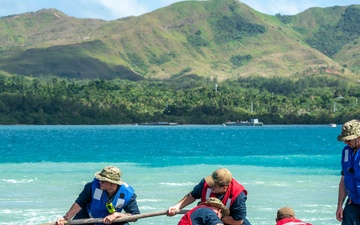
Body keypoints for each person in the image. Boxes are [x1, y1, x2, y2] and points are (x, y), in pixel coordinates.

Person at [56, 166, 140, 225]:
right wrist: (66, 218)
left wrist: (117, 215)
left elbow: (134, 216)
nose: (99, 182)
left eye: (103, 181)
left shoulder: (128, 194)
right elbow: (80, 203)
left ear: (113, 183)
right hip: (88, 216)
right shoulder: (92, 186)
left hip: (111, 220)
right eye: (99, 179)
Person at [167, 168, 251, 225]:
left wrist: (219, 217)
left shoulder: (238, 195)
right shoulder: (206, 183)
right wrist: (177, 207)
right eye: (211, 182)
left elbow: (238, 221)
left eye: (214, 186)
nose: (210, 186)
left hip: (230, 221)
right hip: (207, 217)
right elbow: (192, 195)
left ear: (224, 188)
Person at [336, 119, 360, 224]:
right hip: (353, 203)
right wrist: (340, 205)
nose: (346, 142)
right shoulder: (346, 152)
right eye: (345, 140)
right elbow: (344, 178)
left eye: (349, 140)